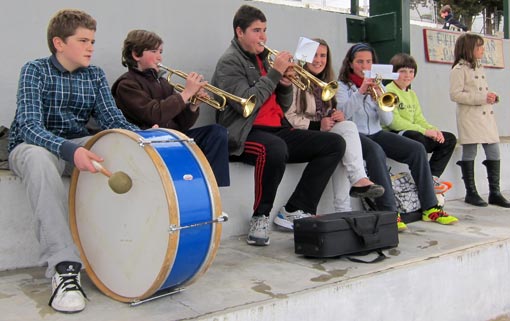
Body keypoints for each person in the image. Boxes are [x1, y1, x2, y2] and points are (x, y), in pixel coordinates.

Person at [7, 9, 140, 313]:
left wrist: (145, 138)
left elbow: (113, 120)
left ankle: (125, 250)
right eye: (83, 40)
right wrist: (69, 150)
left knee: (118, 148)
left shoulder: (94, 75)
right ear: (59, 43)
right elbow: (28, 125)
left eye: (92, 40)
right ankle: (63, 269)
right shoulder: (34, 70)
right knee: (40, 159)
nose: (91, 47)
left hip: (76, 148)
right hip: (31, 148)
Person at [211, 4, 345, 246]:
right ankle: (260, 217)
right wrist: (274, 75)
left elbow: (281, 106)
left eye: (264, 30)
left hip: (277, 129)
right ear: (239, 32)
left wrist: (284, 85)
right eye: (256, 31)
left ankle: (296, 208)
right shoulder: (229, 62)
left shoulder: (265, 59)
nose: (263, 37)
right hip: (244, 134)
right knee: (273, 149)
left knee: (334, 143)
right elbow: (246, 104)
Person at [336, 43, 459, 229]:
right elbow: (343, 114)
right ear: (350, 64)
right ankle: (390, 212)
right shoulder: (342, 86)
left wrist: (378, 98)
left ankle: (430, 207)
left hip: (377, 132)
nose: (364, 66)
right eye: (359, 62)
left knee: (416, 149)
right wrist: (361, 93)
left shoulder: (380, 86)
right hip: (355, 135)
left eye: (368, 62)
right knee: (376, 151)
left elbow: (387, 118)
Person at [112, 29, 230, 187]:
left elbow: (181, 124)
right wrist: (186, 93)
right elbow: (154, 114)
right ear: (136, 54)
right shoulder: (127, 85)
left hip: (172, 138)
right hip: (150, 144)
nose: (160, 57)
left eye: (160, 51)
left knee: (217, 133)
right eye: (154, 51)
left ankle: (212, 190)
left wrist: (193, 105)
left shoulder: (164, 83)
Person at [285, 38, 384, 212]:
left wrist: (334, 114)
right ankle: (354, 186)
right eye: (314, 55)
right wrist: (317, 125)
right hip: (300, 132)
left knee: (346, 130)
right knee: (339, 141)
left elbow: (327, 112)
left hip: (323, 131)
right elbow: (290, 116)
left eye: (323, 55)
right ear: (304, 56)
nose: (318, 60)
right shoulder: (295, 78)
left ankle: (347, 201)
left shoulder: (328, 81)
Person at [450, 33, 510, 208]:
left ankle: (495, 192)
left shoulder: (478, 67)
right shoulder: (458, 70)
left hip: (485, 116)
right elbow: (455, 94)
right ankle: (471, 192)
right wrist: (482, 97)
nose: (482, 50)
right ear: (469, 49)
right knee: (470, 152)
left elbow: (482, 91)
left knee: (494, 152)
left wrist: (492, 97)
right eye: (479, 47)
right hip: (470, 117)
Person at [386, 53, 457, 194]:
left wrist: (434, 130)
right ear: (393, 73)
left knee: (449, 139)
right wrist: (424, 132)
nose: (407, 75)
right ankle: (422, 180)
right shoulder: (388, 91)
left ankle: (431, 177)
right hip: (395, 135)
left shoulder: (411, 94)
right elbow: (394, 123)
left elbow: (419, 118)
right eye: (402, 71)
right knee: (416, 137)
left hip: (415, 131)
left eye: (411, 71)